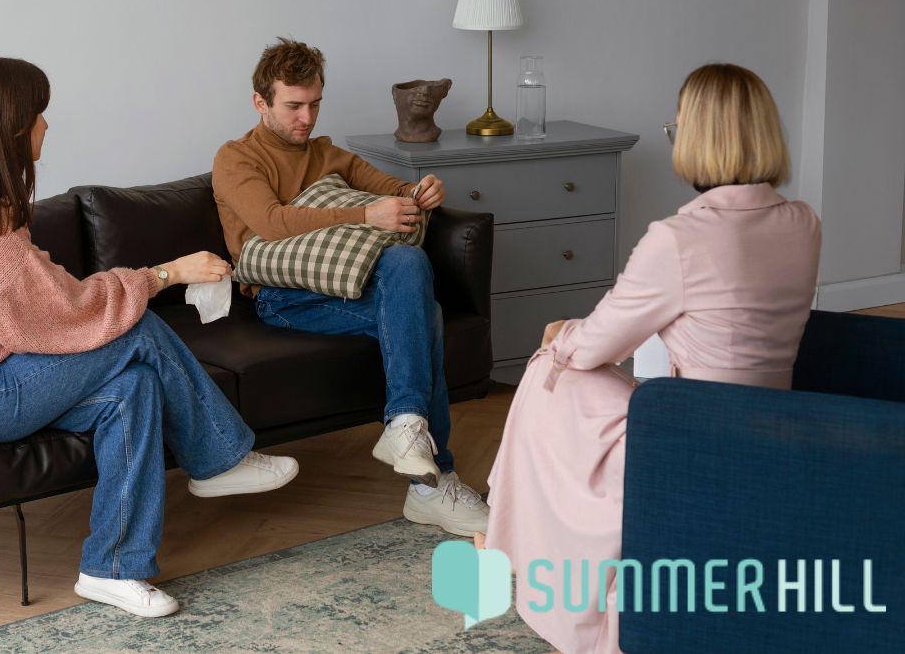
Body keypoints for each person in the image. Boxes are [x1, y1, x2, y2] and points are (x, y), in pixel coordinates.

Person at [0, 56, 298, 619]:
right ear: (10, 127)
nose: (47, 126)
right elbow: (55, 316)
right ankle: (219, 459)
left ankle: (111, 568)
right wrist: (164, 275)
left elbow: (46, 293)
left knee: (132, 389)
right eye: (39, 115)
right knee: (141, 331)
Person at [479, 63, 821, 653]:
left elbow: (595, 345)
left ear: (697, 137)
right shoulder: (803, 222)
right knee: (582, 367)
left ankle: (508, 542)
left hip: (692, 442)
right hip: (775, 431)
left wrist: (557, 335)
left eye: (677, 125)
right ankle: (504, 539)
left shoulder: (679, 240)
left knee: (547, 371)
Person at [212, 38, 489, 537]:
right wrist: (365, 213)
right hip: (283, 299)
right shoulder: (236, 159)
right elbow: (271, 223)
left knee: (407, 263)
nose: (307, 118)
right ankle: (432, 483)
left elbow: (391, 187)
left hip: (347, 287)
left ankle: (407, 429)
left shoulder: (329, 154)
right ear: (261, 102)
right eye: (293, 105)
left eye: (315, 103)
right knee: (427, 317)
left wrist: (419, 192)